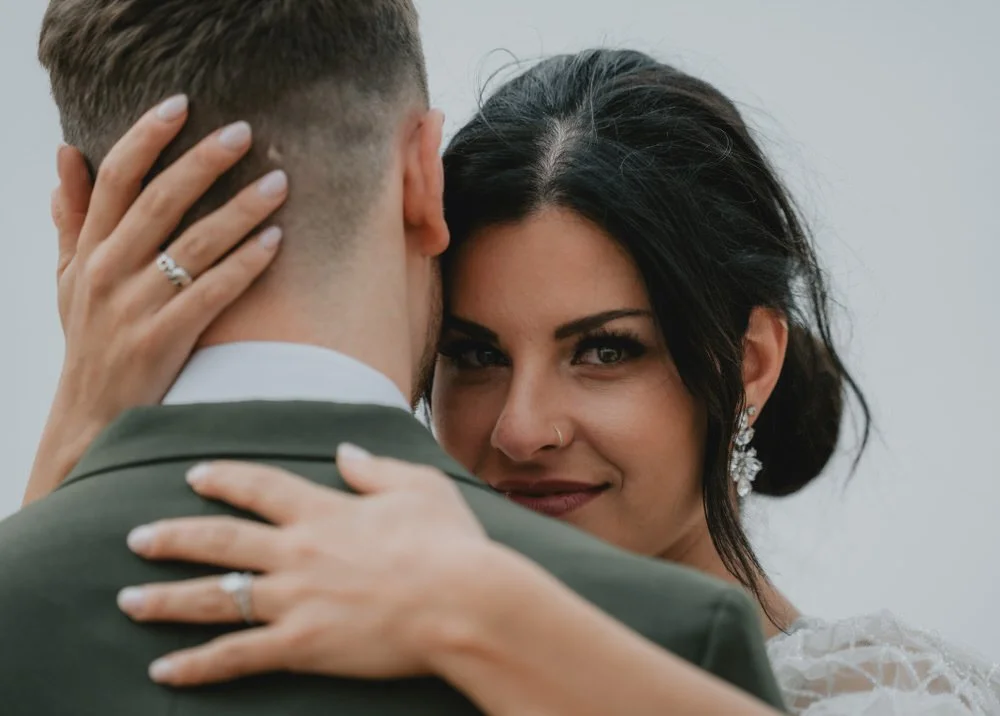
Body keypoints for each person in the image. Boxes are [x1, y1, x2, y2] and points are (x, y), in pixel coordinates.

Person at [35, 44, 1000, 714]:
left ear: (748, 365)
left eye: (607, 350)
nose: (522, 428)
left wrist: (493, 620)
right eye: (476, 355)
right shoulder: (360, 637)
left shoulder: (882, 691)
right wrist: (86, 418)